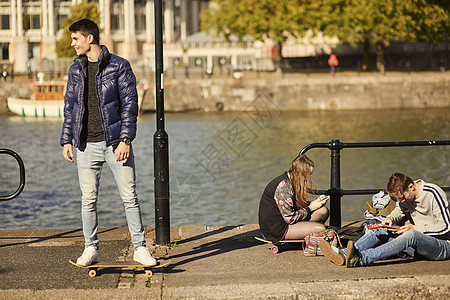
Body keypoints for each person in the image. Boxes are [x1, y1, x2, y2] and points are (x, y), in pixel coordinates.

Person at [60, 19, 156, 267]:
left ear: (89, 38)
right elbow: (70, 107)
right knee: (88, 200)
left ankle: (140, 248)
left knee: (129, 197)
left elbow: (129, 106)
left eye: (75, 39)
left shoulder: (119, 66)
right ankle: (90, 248)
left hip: (115, 145)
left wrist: (126, 139)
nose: (72, 44)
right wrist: (66, 141)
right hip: (84, 145)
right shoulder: (75, 69)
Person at [321, 172, 450, 267]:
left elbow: (446, 227)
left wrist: (415, 228)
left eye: (403, 197)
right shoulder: (405, 196)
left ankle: (361, 259)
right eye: (399, 199)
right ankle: (345, 253)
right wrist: (390, 219)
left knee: (412, 235)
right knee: (381, 229)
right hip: (419, 246)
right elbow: (399, 210)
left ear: (411, 186)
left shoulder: (433, 193)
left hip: (442, 245)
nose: (402, 201)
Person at [258, 155, 329, 243]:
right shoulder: (283, 186)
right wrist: (311, 208)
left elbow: (292, 205)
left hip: (286, 221)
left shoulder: (291, 180)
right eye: (308, 175)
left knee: (323, 211)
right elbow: (290, 218)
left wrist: (314, 203)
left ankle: (303, 236)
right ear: (300, 173)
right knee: (321, 229)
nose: (308, 179)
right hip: (277, 229)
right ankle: (303, 239)